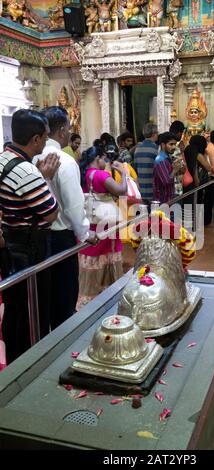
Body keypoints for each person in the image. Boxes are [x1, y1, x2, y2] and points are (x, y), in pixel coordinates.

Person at [0, 109, 59, 363]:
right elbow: (51, 213)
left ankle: (16, 355)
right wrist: (45, 178)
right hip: (29, 247)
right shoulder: (27, 172)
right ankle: (29, 359)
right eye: (45, 138)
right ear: (35, 139)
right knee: (31, 307)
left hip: (10, 241)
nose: (46, 143)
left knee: (15, 306)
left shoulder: (3, 159)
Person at [35, 106, 95, 329]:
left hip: (37, 237)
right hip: (61, 237)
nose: (69, 133)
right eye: (69, 128)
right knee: (64, 295)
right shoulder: (64, 160)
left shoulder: (30, 158)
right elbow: (73, 206)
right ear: (61, 130)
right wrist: (84, 233)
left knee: (45, 297)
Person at [77, 146, 127, 308]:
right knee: (107, 261)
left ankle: (88, 301)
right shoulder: (100, 175)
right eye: (104, 159)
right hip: (106, 227)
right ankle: (109, 300)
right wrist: (123, 173)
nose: (105, 163)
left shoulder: (84, 174)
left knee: (92, 263)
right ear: (97, 158)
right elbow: (121, 190)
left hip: (89, 225)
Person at [153, 132, 182, 204]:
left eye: (175, 144)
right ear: (163, 145)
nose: (174, 147)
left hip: (168, 199)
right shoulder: (160, 160)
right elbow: (166, 181)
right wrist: (175, 170)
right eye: (171, 144)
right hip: (162, 201)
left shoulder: (167, 158)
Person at [133, 122, 158, 204]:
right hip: (152, 190)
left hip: (141, 190)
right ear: (154, 134)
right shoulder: (156, 149)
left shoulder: (137, 148)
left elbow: (135, 168)